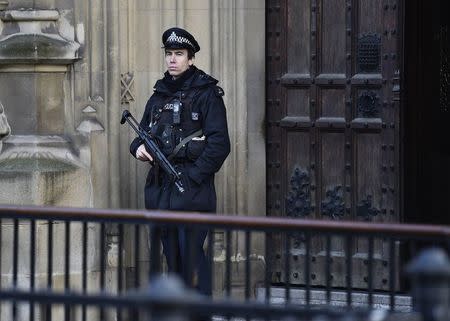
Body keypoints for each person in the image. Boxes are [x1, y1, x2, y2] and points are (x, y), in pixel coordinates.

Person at [129, 27, 230, 296]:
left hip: (192, 192)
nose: (173, 59)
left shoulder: (207, 94)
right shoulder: (158, 95)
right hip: (162, 193)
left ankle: (201, 313)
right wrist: (138, 148)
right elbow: (141, 136)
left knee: (192, 262)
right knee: (172, 263)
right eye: (169, 54)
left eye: (179, 54)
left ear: (191, 58)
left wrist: (192, 177)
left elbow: (220, 145)